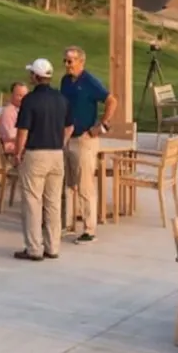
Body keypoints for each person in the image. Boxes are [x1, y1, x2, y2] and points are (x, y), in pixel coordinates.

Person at [11, 59, 70, 261]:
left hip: (36, 154)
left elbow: (22, 132)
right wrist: (61, 142)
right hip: (56, 154)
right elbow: (69, 126)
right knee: (53, 203)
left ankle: (34, 248)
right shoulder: (61, 99)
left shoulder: (30, 100)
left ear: (35, 77)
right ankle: (53, 246)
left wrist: (17, 154)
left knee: (32, 202)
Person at [59, 45, 116, 243]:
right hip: (67, 136)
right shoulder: (65, 81)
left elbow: (111, 100)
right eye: (65, 61)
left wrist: (102, 124)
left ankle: (89, 229)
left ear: (81, 62)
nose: (67, 65)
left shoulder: (90, 82)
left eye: (70, 61)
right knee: (67, 183)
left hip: (84, 139)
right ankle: (67, 223)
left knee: (85, 185)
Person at [0, 82, 27, 146]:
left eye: (25, 96)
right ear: (12, 95)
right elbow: (11, 135)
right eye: (19, 95)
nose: (23, 98)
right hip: (13, 148)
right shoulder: (8, 112)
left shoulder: (22, 110)